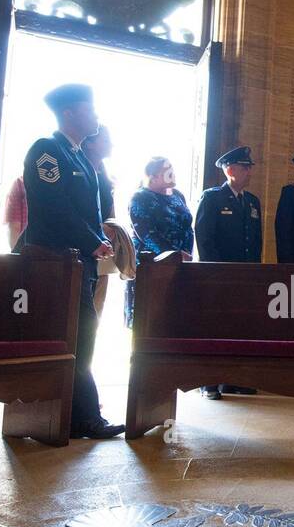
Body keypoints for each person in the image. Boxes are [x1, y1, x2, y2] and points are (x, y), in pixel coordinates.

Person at [22, 83, 122, 439]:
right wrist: (92, 241)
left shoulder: (80, 157)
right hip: (54, 261)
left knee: (83, 337)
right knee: (75, 335)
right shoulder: (48, 151)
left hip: (80, 263)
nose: (95, 115)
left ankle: (78, 417)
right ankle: (82, 418)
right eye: (89, 109)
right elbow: (54, 208)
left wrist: (96, 244)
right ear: (69, 113)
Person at [194, 145, 263, 399]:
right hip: (219, 276)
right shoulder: (212, 198)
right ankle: (209, 381)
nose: (249, 172)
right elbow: (204, 237)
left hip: (244, 278)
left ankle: (233, 379)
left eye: (250, 167)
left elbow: (255, 241)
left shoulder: (252, 201)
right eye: (245, 168)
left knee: (239, 327)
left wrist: (253, 274)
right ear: (230, 170)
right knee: (216, 328)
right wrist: (216, 272)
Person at [125, 156, 194, 329]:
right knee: (148, 320)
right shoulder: (140, 197)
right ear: (153, 176)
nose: (172, 175)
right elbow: (146, 233)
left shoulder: (177, 195)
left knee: (176, 318)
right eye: (167, 172)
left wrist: (185, 254)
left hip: (181, 264)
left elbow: (188, 226)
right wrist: (173, 256)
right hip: (151, 265)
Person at [81, 127, 118, 318]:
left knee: (97, 308)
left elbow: (109, 211)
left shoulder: (104, 176)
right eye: (105, 140)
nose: (111, 144)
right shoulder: (77, 169)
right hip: (80, 247)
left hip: (102, 246)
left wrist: (111, 227)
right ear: (89, 144)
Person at [2, 175, 27, 250]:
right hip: (56, 254)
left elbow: (15, 226)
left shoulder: (19, 184)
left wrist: (16, 258)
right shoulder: (59, 187)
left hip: (27, 251)